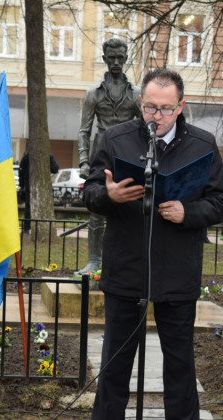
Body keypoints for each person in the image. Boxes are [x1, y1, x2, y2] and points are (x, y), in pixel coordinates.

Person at [83, 68, 223, 419]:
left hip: (177, 270)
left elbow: (222, 201)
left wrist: (188, 212)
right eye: (150, 107)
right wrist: (109, 195)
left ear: (180, 106)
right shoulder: (116, 139)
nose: (157, 116)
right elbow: (90, 193)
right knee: (115, 363)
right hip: (126, 269)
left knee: (180, 365)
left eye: (165, 109)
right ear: (140, 103)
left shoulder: (202, 144)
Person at [77, 37, 143, 277]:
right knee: (96, 210)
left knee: (130, 207)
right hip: (101, 156)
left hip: (128, 156)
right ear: (104, 59)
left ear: (126, 59)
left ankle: (124, 262)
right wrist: (84, 161)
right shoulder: (92, 94)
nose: (116, 62)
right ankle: (94, 260)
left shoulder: (136, 94)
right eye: (111, 58)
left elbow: (146, 128)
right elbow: (84, 131)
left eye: (120, 58)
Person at [18, 149, 59, 234]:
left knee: (29, 207)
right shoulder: (48, 154)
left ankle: (26, 228)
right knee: (43, 205)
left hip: (30, 184)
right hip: (43, 185)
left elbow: (21, 170)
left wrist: (22, 185)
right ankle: (42, 226)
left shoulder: (27, 155)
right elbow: (55, 169)